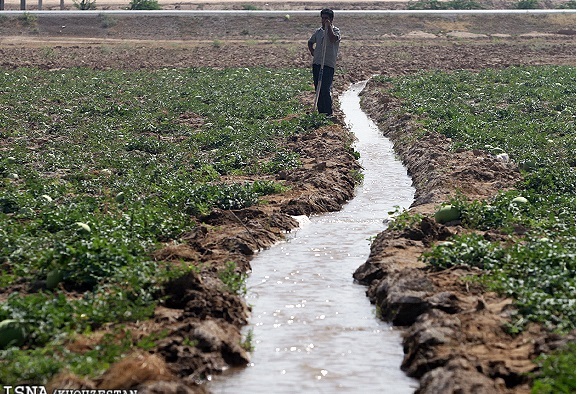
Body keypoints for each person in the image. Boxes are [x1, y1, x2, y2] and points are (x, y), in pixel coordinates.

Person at [308, 8, 341, 116]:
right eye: (322, 18)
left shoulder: (336, 31)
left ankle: (328, 113)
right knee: (318, 88)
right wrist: (312, 51)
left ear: (331, 19)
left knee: (325, 89)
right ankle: (320, 112)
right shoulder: (318, 32)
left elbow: (332, 39)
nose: (324, 20)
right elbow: (310, 42)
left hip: (328, 64)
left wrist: (329, 27)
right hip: (317, 63)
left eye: (326, 18)